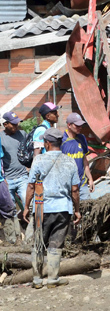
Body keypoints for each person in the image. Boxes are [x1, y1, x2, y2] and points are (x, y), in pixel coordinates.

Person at [22, 128, 80, 288]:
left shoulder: (39, 160)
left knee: (39, 243)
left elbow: (31, 187)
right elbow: (75, 190)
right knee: (56, 243)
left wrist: (26, 207)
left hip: (42, 208)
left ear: (47, 143)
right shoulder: (70, 161)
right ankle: (53, 279)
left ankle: (37, 280)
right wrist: (77, 210)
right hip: (63, 209)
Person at [1, 111, 28, 242]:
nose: (16, 126)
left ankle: (30, 237)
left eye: (17, 123)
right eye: (13, 124)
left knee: (31, 204)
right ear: (5, 124)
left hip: (23, 177)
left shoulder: (23, 135)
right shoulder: (1, 138)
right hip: (7, 180)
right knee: (10, 210)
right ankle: (15, 239)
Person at [61, 113, 94, 201]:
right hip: (67, 184)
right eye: (77, 125)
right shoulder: (61, 141)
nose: (80, 128)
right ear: (69, 125)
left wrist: (90, 179)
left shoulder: (82, 138)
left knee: (87, 207)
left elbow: (84, 160)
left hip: (82, 182)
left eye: (81, 125)